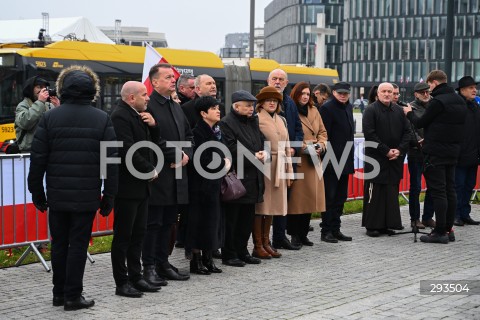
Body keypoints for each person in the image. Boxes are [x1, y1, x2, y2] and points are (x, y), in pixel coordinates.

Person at [27, 65, 118, 311]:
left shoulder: (49, 117)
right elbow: (111, 162)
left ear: (63, 89)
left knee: (59, 244)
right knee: (78, 244)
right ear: (92, 91)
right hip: (87, 195)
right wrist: (109, 195)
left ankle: (58, 293)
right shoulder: (102, 118)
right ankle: (73, 296)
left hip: (57, 193)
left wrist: (36, 191)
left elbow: (38, 158)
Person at [110, 81, 164, 298]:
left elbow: (153, 142)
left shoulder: (140, 115)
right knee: (123, 237)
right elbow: (127, 149)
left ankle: (136, 276)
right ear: (131, 98)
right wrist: (148, 169)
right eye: (144, 94)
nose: (148, 98)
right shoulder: (120, 116)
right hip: (127, 187)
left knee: (138, 234)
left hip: (141, 188)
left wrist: (154, 126)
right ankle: (121, 282)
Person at [142, 63, 193, 281]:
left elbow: (189, 135)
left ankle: (163, 262)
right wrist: (176, 155)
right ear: (154, 82)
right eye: (167, 77)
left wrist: (186, 155)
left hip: (177, 174)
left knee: (169, 221)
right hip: (158, 174)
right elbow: (150, 140)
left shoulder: (175, 106)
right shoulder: (149, 106)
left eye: (173, 77)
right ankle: (149, 266)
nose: (173, 80)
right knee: (153, 223)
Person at [404, 70, 467, 243]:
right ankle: (448, 229)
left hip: (436, 153)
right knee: (450, 190)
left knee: (439, 192)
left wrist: (409, 112)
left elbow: (420, 122)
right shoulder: (459, 100)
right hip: (453, 151)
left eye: (429, 85)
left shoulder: (437, 102)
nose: (428, 89)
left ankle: (439, 232)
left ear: (434, 82)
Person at [219, 90, 266, 267]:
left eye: (252, 105)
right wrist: (255, 156)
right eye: (247, 105)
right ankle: (229, 254)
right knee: (232, 220)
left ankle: (242, 251)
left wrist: (263, 152)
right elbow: (230, 150)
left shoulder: (253, 121)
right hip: (237, 179)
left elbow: (262, 140)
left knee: (246, 219)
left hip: (253, 178)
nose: (251, 108)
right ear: (236, 106)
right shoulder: (226, 123)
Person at [186, 96, 230, 274]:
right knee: (198, 223)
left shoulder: (218, 131)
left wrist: (226, 162)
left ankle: (208, 258)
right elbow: (202, 160)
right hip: (200, 186)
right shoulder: (198, 132)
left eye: (218, 107)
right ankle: (196, 261)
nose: (218, 110)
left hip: (214, 184)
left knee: (212, 222)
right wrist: (223, 164)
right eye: (213, 108)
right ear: (203, 113)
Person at [362, 82, 411, 237]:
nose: (387, 94)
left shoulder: (398, 111)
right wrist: (386, 151)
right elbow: (370, 133)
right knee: (375, 193)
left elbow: (407, 132)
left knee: (390, 192)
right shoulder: (370, 110)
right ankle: (372, 226)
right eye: (384, 91)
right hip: (376, 158)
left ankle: (388, 224)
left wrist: (400, 150)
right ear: (378, 93)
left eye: (390, 91)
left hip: (394, 158)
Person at [253, 86, 293, 259]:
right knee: (261, 207)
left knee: (272, 207)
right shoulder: (255, 119)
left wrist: (289, 167)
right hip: (264, 165)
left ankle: (266, 242)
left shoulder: (281, 120)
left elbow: (287, 143)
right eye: (268, 100)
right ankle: (257, 244)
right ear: (261, 103)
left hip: (280, 164)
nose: (272, 103)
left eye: (275, 100)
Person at [287, 81, 327, 247]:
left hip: (313, 158)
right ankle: (294, 234)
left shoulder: (314, 110)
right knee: (297, 201)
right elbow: (290, 135)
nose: (305, 96)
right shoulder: (291, 110)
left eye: (307, 93)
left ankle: (303, 233)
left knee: (310, 199)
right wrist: (306, 148)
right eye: (302, 93)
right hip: (299, 158)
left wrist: (321, 145)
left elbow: (322, 132)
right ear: (296, 94)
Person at [267, 68, 304, 251]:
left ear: (286, 82)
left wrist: (293, 146)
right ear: (268, 80)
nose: (278, 82)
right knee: (266, 201)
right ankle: (262, 241)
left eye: (281, 79)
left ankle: (280, 237)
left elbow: (298, 128)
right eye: (274, 78)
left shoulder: (290, 102)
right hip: (269, 160)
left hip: (288, 158)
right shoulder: (260, 101)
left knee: (284, 198)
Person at [319, 82, 354, 243]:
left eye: (345, 93)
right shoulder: (327, 108)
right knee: (330, 197)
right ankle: (326, 230)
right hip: (331, 161)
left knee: (341, 197)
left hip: (346, 159)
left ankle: (336, 228)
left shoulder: (348, 107)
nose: (343, 95)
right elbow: (324, 136)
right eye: (340, 93)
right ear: (333, 92)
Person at [406, 82, 435, 229]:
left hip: (431, 152)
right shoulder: (410, 107)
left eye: (427, 92)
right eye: (422, 92)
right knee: (416, 187)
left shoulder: (434, 106)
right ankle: (414, 219)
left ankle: (428, 217)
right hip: (416, 153)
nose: (426, 94)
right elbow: (409, 127)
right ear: (416, 94)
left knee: (433, 186)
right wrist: (418, 141)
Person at [453, 76, 480, 227]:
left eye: (475, 87)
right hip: (460, 155)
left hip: (474, 155)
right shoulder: (458, 106)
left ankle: (465, 213)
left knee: (469, 186)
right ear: (462, 90)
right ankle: (456, 215)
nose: (474, 90)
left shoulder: (475, 106)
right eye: (471, 88)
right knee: (458, 186)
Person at [14, 76, 60, 152]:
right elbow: (25, 122)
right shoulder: (23, 105)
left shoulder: (49, 105)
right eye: (39, 87)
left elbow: (58, 126)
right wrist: (40, 102)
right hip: (29, 150)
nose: (43, 90)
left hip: (48, 149)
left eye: (45, 88)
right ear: (31, 89)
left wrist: (58, 108)